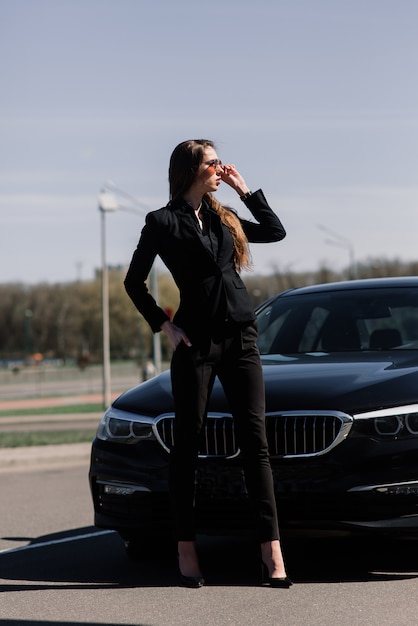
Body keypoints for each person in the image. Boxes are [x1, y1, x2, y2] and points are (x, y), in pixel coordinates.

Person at [124, 139, 292, 588]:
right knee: (187, 446)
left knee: (255, 444)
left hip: (241, 334)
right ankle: (186, 548)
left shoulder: (225, 215)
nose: (221, 167)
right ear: (191, 170)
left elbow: (275, 232)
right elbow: (133, 281)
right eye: (213, 163)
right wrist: (165, 325)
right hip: (195, 342)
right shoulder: (162, 221)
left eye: (220, 162)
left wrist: (244, 189)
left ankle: (271, 551)